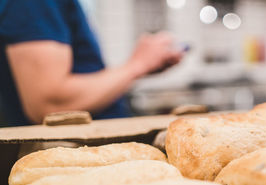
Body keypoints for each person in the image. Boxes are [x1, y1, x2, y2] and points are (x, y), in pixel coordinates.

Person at [0, 0, 183, 127]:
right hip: (82, 160)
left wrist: (140, 67)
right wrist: (137, 65)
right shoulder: (34, 4)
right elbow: (49, 103)